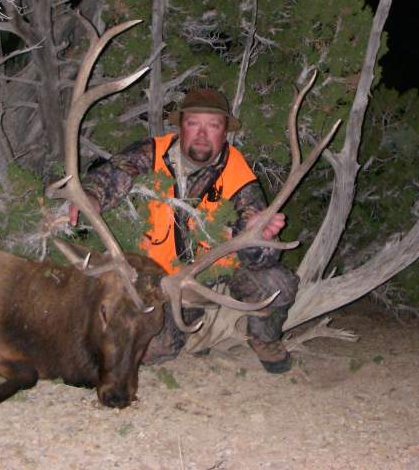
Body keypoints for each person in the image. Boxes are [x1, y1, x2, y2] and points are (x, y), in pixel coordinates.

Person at [69, 88, 298, 373]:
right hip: (163, 282)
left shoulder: (238, 172)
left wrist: (259, 236)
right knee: (153, 350)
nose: (202, 134)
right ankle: (196, 335)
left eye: (213, 126)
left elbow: (262, 258)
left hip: (217, 275)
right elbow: (114, 174)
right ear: (181, 126)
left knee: (279, 283)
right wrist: (91, 195)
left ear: (224, 132)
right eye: (193, 123)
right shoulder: (151, 152)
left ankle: (264, 339)